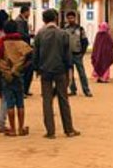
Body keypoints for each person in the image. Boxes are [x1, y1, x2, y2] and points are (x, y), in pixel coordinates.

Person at [33, 9, 79, 138]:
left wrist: (36, 69)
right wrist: (69, 69)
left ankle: (50, 131)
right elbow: (67, 55)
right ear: (56, 19)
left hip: (45, 70)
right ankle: (69, 129)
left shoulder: (40, 34)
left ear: (43, 20)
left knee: (47, 101)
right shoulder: (63, 34)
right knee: (63, 99)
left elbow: (35, 54)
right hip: (60, 70)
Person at [0, 19, 32, 136]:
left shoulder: (0, 43)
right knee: (20, 102)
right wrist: (20, 68)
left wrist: (0, 68)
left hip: (5, 76)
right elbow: (30, 57)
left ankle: (12, 129)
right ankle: (21, 128)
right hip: (18, 76)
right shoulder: (22, 43)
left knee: (10, 103)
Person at [63, 10, 92, 97]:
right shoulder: (65, 30)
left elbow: (85, 41)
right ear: (67, 19)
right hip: (68, 55)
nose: (70, 19)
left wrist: (82, 53)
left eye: (72, 18)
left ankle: (86, 90)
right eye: (69, 18)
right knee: (70, 73)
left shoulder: (80, 29)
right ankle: (73, 89)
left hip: (77, 54)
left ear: (75, 18)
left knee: (82, 73)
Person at [17, 4, 34, 96]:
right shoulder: (20, 21)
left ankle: (25, 90)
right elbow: (21, 34)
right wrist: (30, 35)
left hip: (25, 47)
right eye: (29, 12)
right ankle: (23, 90)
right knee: (25, 70)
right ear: (26, 12)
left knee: (28, 69)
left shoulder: (22, 20)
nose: (30, 14)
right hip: (23, 49)